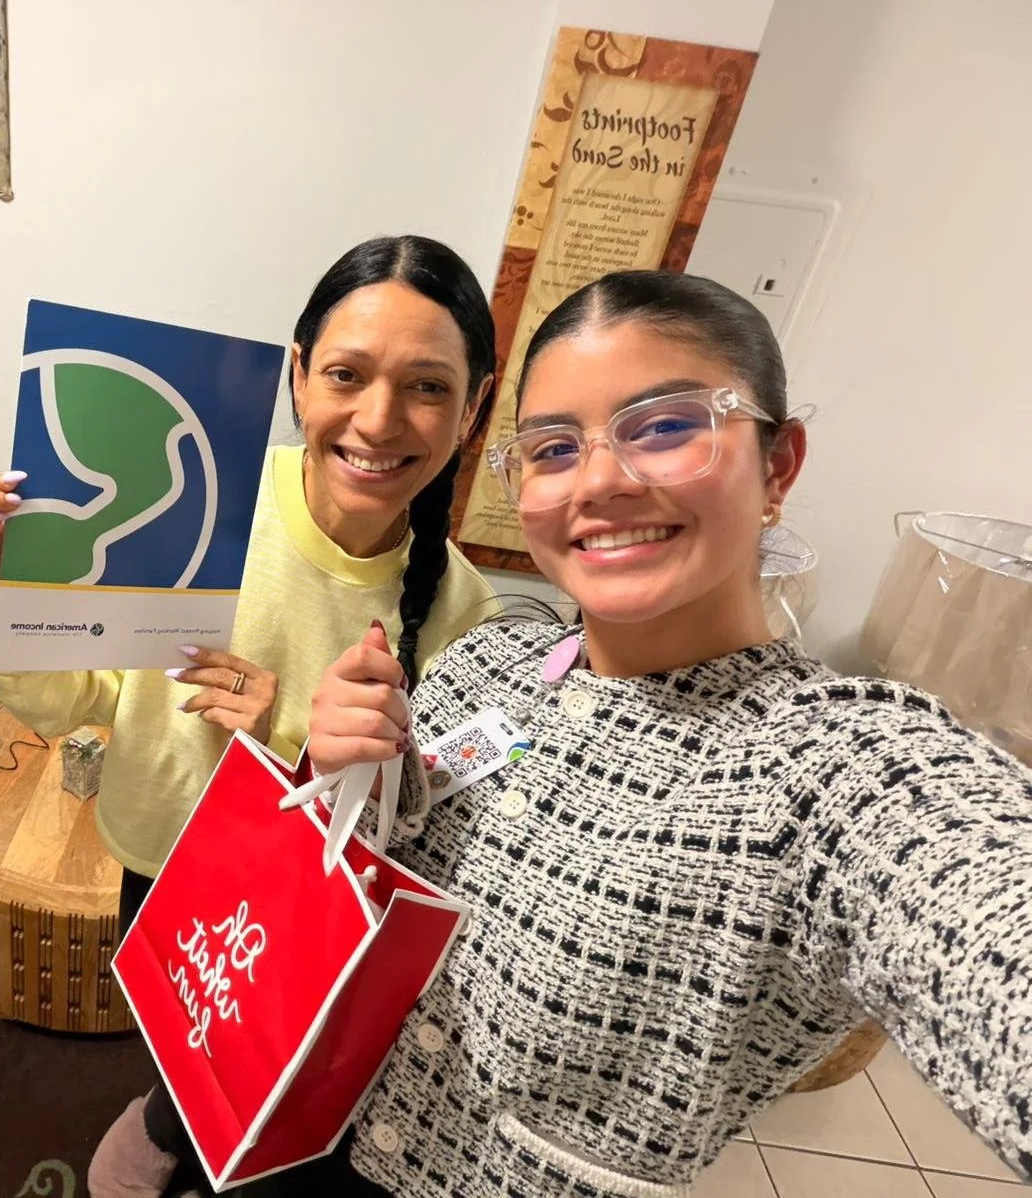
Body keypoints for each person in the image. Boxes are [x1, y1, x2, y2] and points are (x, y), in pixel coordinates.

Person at [282, 269, 1032, 1197]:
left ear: (778, 466)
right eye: (554, 447)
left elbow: (977, 900)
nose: (601, 480)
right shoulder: (488, 663)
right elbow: (351, 886)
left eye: (667, 426)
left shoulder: (834, 769)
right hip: (304, 1144)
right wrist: (343, 773)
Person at [0, 235, 504, 1196]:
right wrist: (9, 610)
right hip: (161, 859)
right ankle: (163, 1120)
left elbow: (425, 831)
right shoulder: (205, 502)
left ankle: (190, 1139)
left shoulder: (464, 613)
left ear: (474, 406)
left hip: (308, 908)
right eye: (347, 374)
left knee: (268, 1070)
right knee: (175, 1038)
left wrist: (289, 749)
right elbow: (82, 703)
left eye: (428, 387)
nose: (378, 419)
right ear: (297, 377)